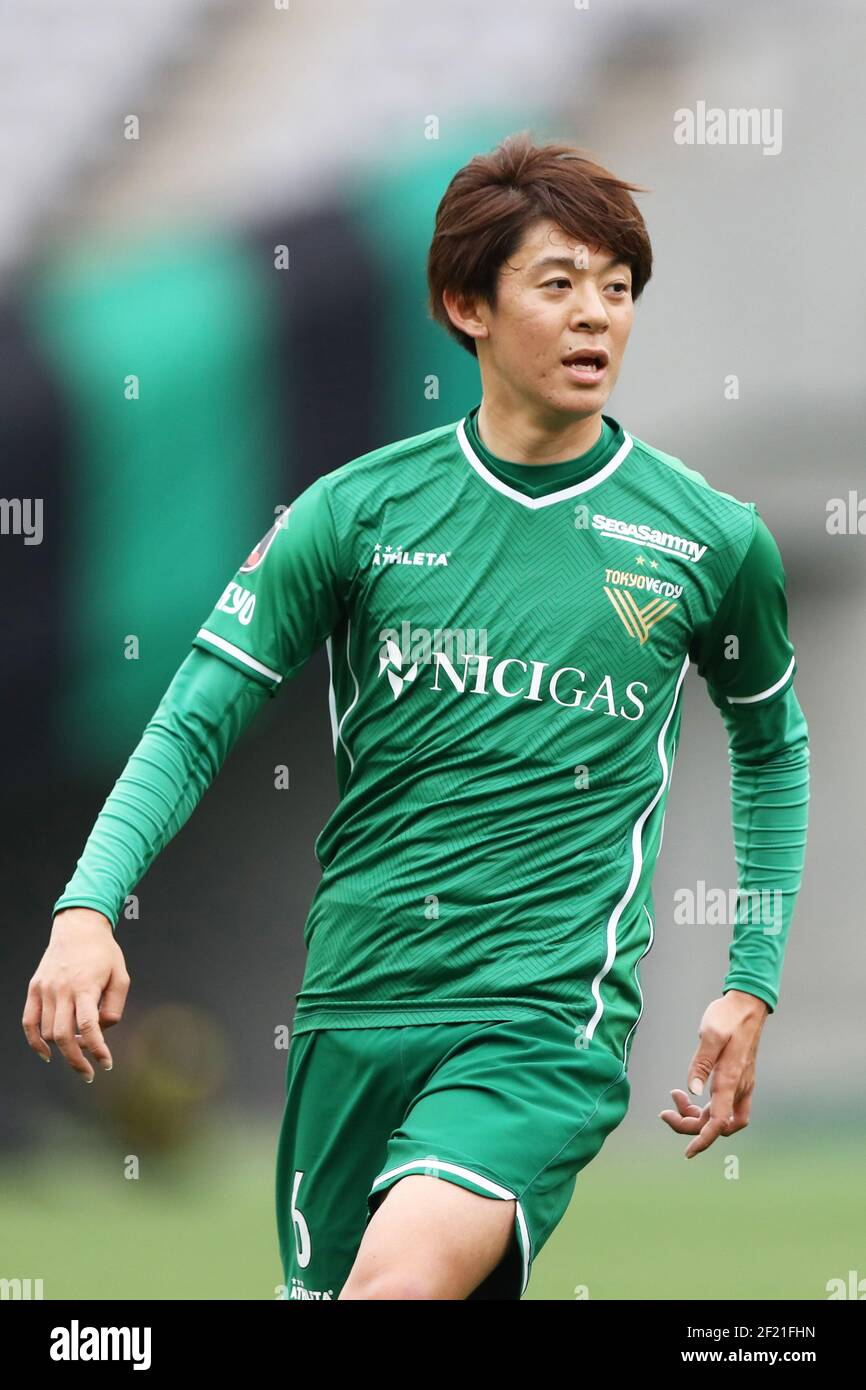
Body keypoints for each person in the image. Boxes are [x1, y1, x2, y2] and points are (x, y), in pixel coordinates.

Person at [24, 131, 810, 1301]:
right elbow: (193, 718)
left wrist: (746, 979)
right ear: (464, 303)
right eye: (558, 283)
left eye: (617, 288)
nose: (597, 315)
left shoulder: (707, 538)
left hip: (540, 1022)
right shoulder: (353, 513)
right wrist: (88, 904)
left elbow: (770, 749)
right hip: (351, 1011)